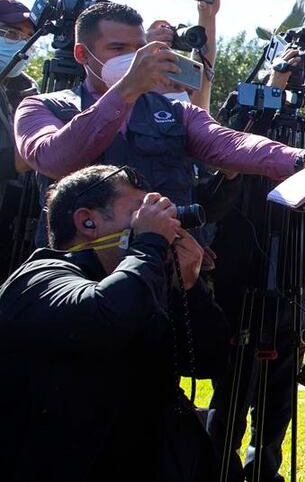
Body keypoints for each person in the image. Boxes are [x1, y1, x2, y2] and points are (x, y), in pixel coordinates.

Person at [13, 1, 305, 245]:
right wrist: (126, 90)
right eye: (118, 49)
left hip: (165, 271)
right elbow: (53, 157)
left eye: (139, 49)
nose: (134, 59)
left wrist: (299, 159)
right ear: (83, 54)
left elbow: (229, 143)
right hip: (80, 272)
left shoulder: (174, 111)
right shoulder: (42, 106)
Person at [0, 165, 228, 481]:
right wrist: (149, 243)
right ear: (87, 221)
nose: (162, 225)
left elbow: (212, 358)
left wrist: (188, 290)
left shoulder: (138, 283)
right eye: (140, 213)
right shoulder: (37, 280)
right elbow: (109, 316)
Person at [205, 47, 305, 482]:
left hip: (289, 287)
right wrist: (272, 85)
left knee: (279, 398)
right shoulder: (234, 146)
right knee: (232, 394)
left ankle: (265, 471)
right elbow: (214, 199)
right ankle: (218, 469)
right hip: (241, 288)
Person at [0, 0, 40, 277]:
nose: (21, 46)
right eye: (12, 34)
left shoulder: (27, 91)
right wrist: (40, 151)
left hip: (14, 228)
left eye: (28, 39)